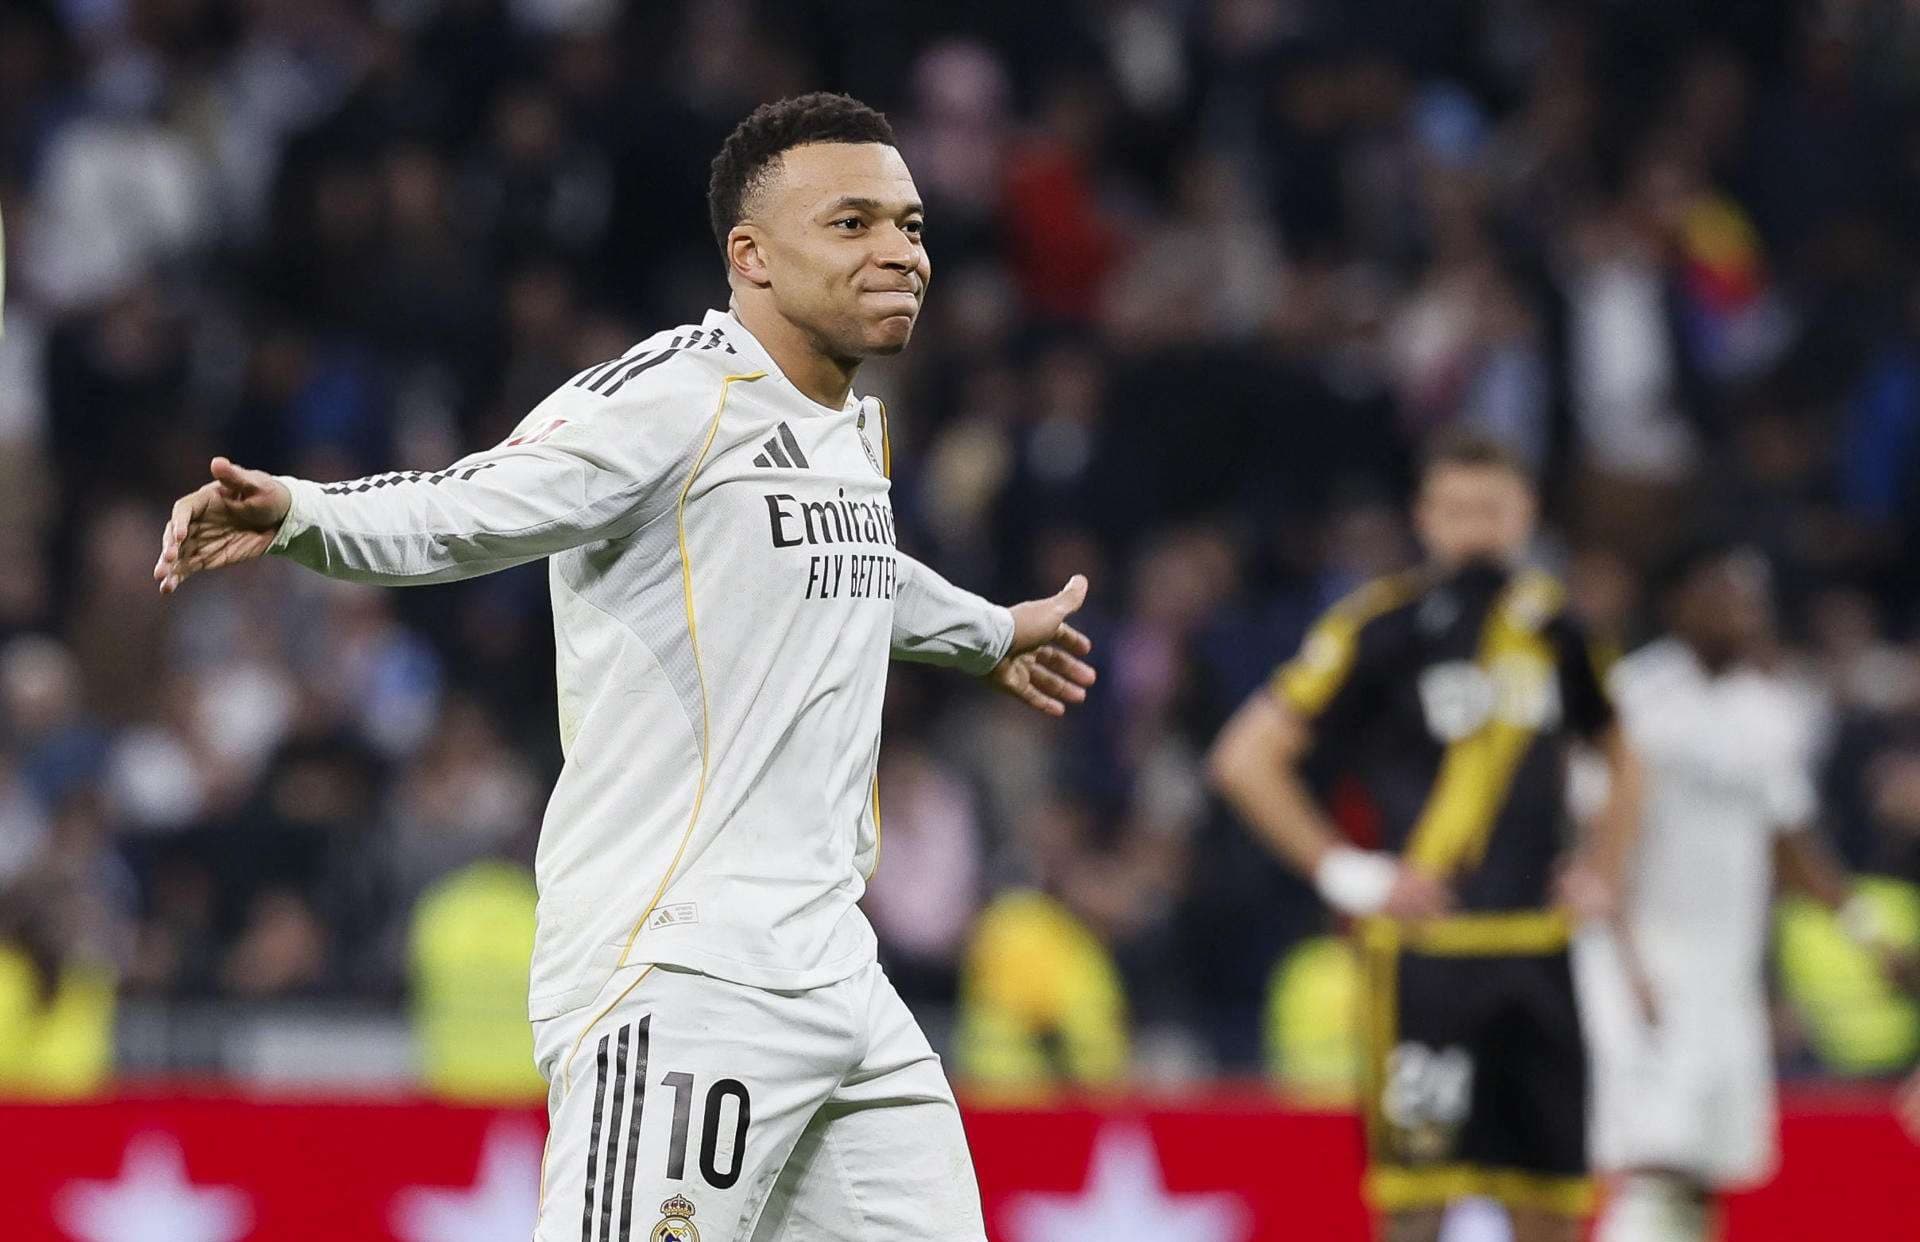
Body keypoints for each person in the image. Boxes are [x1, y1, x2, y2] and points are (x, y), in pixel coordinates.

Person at [153, 93, 1097, 1242]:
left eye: (910, 224)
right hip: (684, 968)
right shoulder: (669, 399)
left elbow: (860, 567)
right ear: (750, 256)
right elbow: (473, 507)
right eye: (853, 224)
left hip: (839, 972)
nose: (901, 251)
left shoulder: (853, 426)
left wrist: (990, 633)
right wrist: (300, 510)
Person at [1207, 430, 1642, 1242]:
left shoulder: (1561, 631)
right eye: (1457, 509)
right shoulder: (1380, 629)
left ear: (1526, 513)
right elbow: (1245, 758)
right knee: (1414, 1208)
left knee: (1551, 1204)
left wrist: (1602, 870)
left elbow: (1624, 752)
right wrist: (1348, 874)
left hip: (1538, 952)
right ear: (1425, 517)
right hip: (1425, 959)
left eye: (1492, 508)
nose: (1475, 527)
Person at [1581, 540, 1890, 1242]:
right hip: (1647, 964)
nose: (1745, 612)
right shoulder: (1634, 698)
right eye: (1726, 594)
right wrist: (1627, 965)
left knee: (1706, 1172)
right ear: (1680, 602)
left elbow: (1788, 843)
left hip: (1727, 973)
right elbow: (1597, 844)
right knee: (1657, 1161)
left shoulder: (1770, 709)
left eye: (1753, 598)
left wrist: (1864, 931)